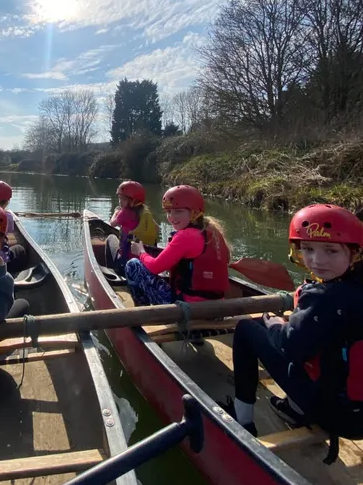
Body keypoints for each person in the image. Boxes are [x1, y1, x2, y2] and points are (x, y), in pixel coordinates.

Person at [224, 203, 363, 445]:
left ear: (355, 252)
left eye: (331, 251)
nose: (317, 261)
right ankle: (294, 408)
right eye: (308, 249)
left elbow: (289, 347)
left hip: (340, 416)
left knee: (246, 329)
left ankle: (242, 418)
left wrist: (276, 325)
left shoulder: (322, 297)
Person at [124, 184, 230, 306]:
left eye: (178, 211)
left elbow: (155, 267)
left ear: (195, 212)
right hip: (217, 305)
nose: (172, 217)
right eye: (169, 212)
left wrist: (140, 252)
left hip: (187, 306)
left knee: (132, 265)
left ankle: (143, 309)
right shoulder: (212, 230)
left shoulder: (185, 236)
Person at [105, 180, 160, 274]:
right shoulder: (145, 212)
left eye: (123, 199)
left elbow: (112, 223)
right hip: (142, 264)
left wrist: (116, 212)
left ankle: (112, 271)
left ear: (134, 200)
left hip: (125, 264)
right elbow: (157, 228)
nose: (120, 202)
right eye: (119, 198)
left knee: (111, 238)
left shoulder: (125, 213)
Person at [0, 179, 27, 274]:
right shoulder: (7, 217)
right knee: (20, 249)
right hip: (0, 262)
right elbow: (9, 231)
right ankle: (14, 274)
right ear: (6, 202)